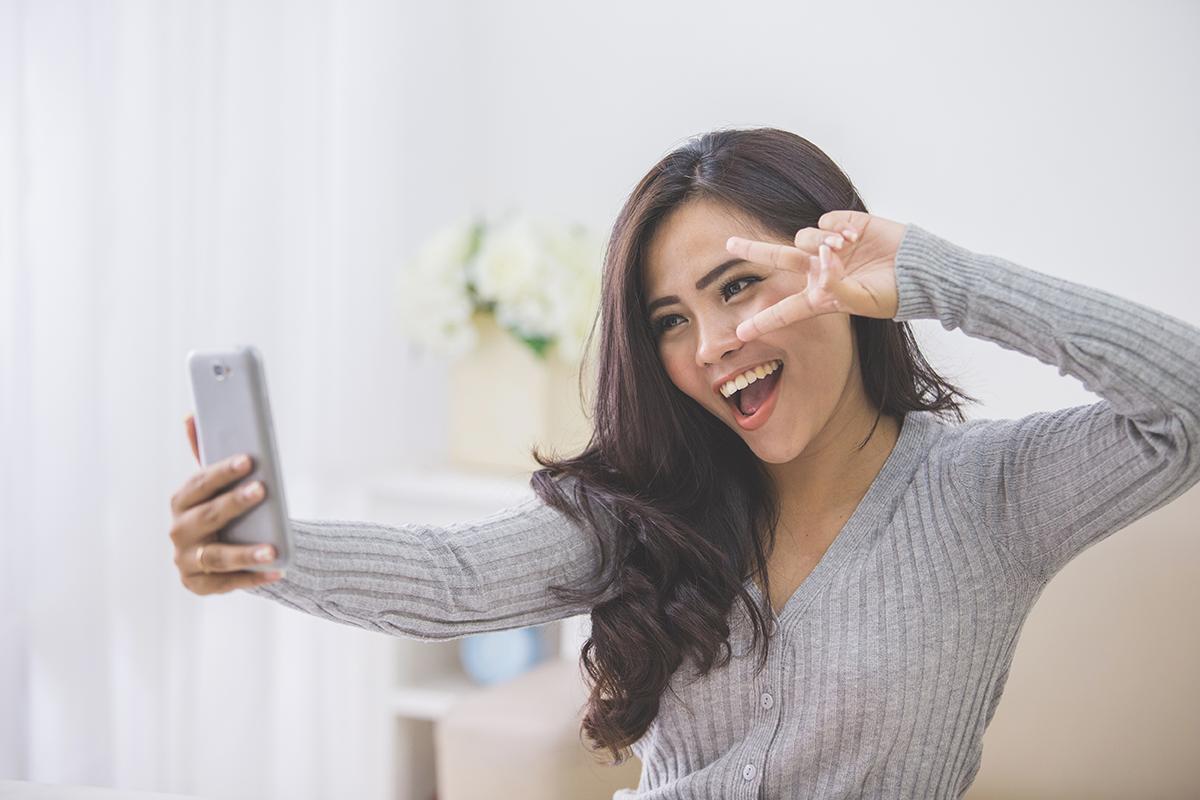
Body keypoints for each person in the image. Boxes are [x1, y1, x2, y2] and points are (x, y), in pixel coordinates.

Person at [167, 127, 1200, 798]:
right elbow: (453, 574)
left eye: (739, 286)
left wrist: (943, 279)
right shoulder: (654, 503)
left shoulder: (993, 494)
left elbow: (1184, 408)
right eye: (672, 318)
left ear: (842, 276)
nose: (709, 346)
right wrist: (263, 550)